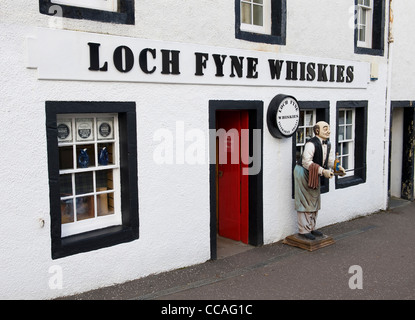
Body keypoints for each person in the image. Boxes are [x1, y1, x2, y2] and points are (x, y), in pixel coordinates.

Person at [293, 121, 345, 240]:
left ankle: (311, 227)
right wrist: (323, 171)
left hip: (314, 172)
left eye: (329, 128)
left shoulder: (329, 144)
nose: (328, 131)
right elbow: (306, 162)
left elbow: (330, 160)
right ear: (317, 131)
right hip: (303, 173)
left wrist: (338, 168)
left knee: (315, 200)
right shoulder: (311, 144)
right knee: (305, 201)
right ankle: (303, 230)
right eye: (325, 128)